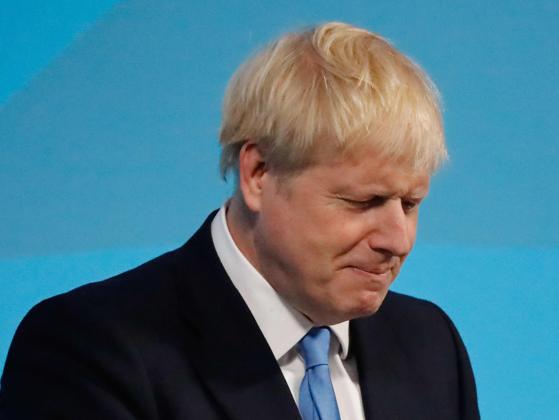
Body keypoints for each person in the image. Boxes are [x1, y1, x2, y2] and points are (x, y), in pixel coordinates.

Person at [0, 22, 479, 419]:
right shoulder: (90, 351)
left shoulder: (431, 345)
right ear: (258, 173)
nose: (398, 239)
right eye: (363, 201)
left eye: (411, 204)